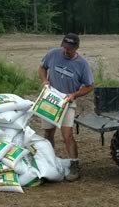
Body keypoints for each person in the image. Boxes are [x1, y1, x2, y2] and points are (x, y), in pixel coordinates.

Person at [38, 33, 94, 181]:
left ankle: (74, 165)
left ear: (76, 48)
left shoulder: (82, 64)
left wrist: (74, 95)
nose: (65, 51)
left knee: (67, 135)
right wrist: (44, 81)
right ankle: (49, 162)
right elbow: (42, 67)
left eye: (69, 49)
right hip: (50, 100)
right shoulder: (53, 54)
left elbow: (89, 86)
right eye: (64, 47)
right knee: (48, 133)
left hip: (67, 102)